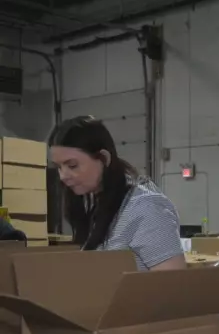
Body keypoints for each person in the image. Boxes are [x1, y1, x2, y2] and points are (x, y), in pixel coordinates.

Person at [48, 115, 186, 271]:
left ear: (104, 158)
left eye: (72, 166)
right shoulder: (99, 206)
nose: (63, 176)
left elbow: (171, 285)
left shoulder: (146, 208)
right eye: (58, 167)